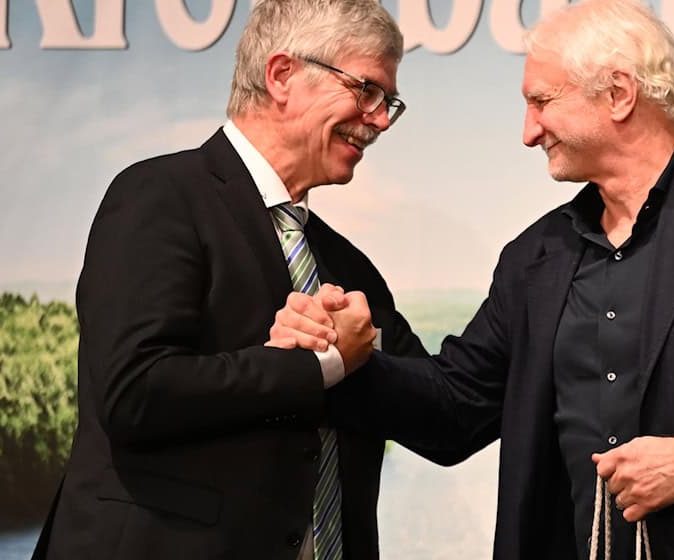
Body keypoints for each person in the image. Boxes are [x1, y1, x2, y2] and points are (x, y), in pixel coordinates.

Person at [269, 0, 674, 558]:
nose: (527, 133)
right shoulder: (535, 257)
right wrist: (350, 359)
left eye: (541, 102)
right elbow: (455, 411)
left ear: (619, 95)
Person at [31, 1, 430, 559]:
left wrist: (550, 283)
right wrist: (320, 364)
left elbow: (446, 412)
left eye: (389, 103)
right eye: (366, 91)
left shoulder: (349, 269)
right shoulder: (159, 197)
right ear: (283, 75)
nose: (380, 119)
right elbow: (135, 393)